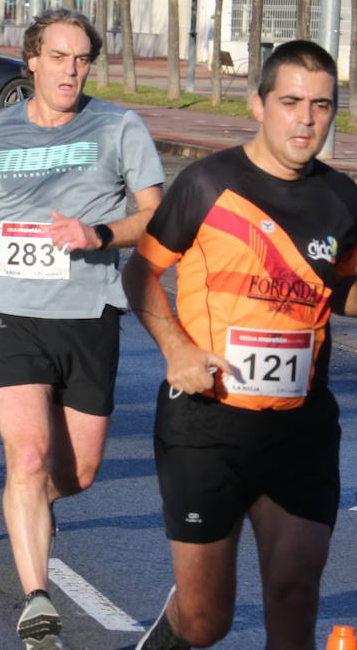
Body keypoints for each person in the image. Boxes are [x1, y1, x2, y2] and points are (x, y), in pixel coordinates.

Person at [0, 8, 164, 649]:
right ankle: (37, 598)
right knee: (28, 457)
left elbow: (155, 214)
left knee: (80, 472)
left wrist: (98, 234)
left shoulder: (120, 126)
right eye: (58, 57)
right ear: (31, 61)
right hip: (12, 313)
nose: (70, 70)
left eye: (82, 59)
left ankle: (32, 506)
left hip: (89, 315)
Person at [123, 40, 357, 650]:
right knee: (206, 621)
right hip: (207, 423)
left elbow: (345, 290)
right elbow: (140, 273)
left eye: (322, 106)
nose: (306, 119)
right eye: (290, 102)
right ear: (258, 105)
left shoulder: (343, 200)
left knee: (295, 591)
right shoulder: (207, 183)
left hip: (300, 425)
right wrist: (175, 350)